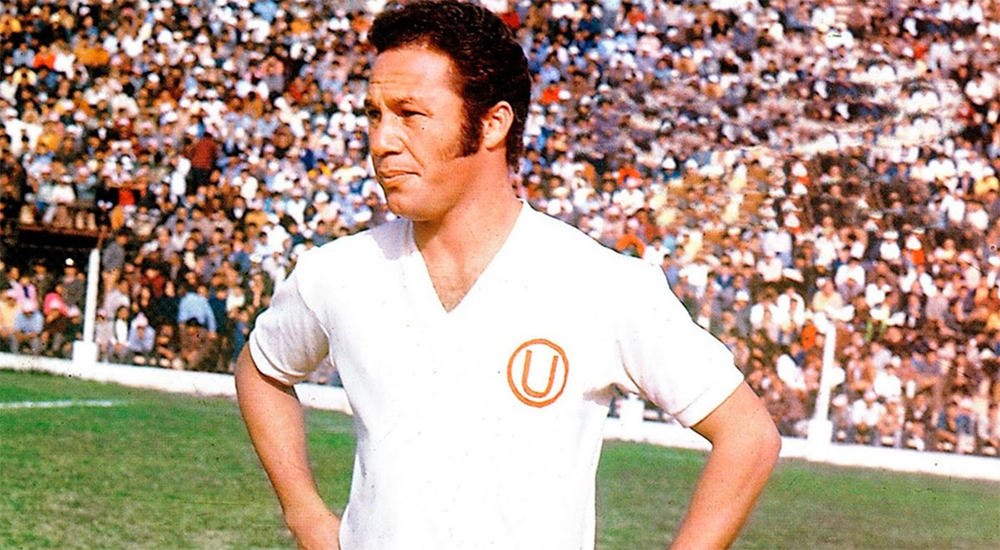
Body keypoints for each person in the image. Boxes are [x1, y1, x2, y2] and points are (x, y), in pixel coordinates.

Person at [235, 2, 780, 550]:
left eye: (410, 113)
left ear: (492, 124)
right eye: (375, 115)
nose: (382, 141)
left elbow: (748, 435)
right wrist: (305, 514)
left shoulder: (599, 283)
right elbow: (262, 371)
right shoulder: (338, 274)